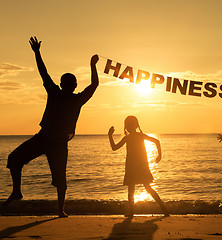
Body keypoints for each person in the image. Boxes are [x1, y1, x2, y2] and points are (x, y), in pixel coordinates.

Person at [3, 36, 99, 218]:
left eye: (69, 83)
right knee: (15, 159)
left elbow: (44, 73)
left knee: (59, 177)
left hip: (55, 142)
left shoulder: (69, 97)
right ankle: (20, 193)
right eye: (67, 83)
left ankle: (59, 209)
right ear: (65, 85)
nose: (68, 85)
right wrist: (92, 65)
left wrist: (37, 52)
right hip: (44, 138)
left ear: (68, 85)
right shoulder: (67, 96)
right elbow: (93, 85)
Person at [108, 116, 169, 218]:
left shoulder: (133, 137)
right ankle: (163, 210)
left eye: (129, 125)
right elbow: (156, 141)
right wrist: (159, 155)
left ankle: (161, 210)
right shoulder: (134, 137)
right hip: (137, 166)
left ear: (135, 126)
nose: (128, 127)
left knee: (137, 188)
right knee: (142, 188)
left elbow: (114, 148)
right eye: (127, 125)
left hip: (136, 166)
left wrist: (160, 155)